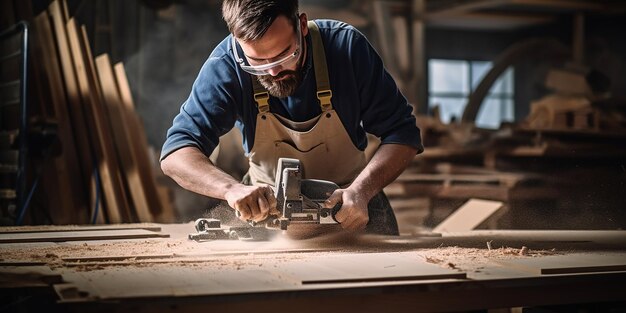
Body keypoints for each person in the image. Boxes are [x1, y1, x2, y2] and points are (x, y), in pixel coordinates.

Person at [160, 0, 423, 236]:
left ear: (302, 25)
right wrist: (232, 190)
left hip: (351, 203)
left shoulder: (346, 48)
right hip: (266, 212)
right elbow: (176, 154)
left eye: (285, 55)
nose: (273, 71)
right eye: (258, 62)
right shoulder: (226, 64)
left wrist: (363, 191)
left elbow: (403, 134)